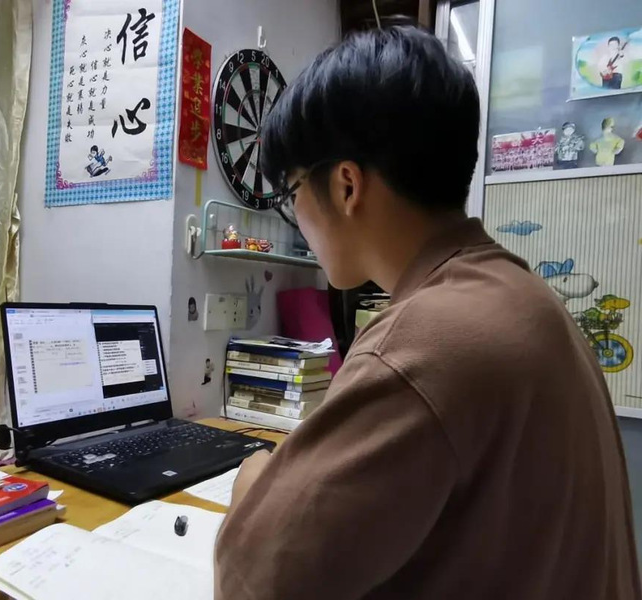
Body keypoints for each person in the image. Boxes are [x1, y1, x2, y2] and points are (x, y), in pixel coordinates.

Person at [214, 27, 640, 600]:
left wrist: (254, 481)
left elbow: (253, 583)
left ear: (346, 186)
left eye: (292, 195)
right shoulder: (526, 297)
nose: (299, 219)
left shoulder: (419, 342)